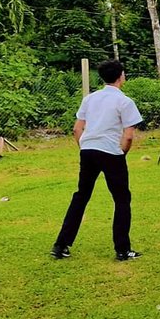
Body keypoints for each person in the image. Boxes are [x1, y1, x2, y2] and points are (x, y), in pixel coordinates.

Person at [52, 60, 143, 261]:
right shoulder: (125, 102)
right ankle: (122, 249)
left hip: (88, 150)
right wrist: (121, 153)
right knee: (121, 199)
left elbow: (77, 129)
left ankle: (61, 245)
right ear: (121, 76)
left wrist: (84, 147)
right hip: (111, 152)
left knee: (81, 196)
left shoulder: (90, 99)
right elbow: (128, 136)